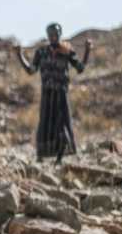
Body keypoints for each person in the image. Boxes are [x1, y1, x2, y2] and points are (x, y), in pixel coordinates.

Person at [14, 22, 93, 164]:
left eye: (55, 34)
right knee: (45, 122)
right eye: (50, 35)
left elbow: (80, 68)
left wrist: (87, 50)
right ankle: (40, 155)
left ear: (59, 34)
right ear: (47, 35)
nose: (53, 37)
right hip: (47, 93)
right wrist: (19, 55)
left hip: (61, 93)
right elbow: (31, 70)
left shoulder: (67, 51)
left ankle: (60, 158)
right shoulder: (41, 52)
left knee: (61, 124)